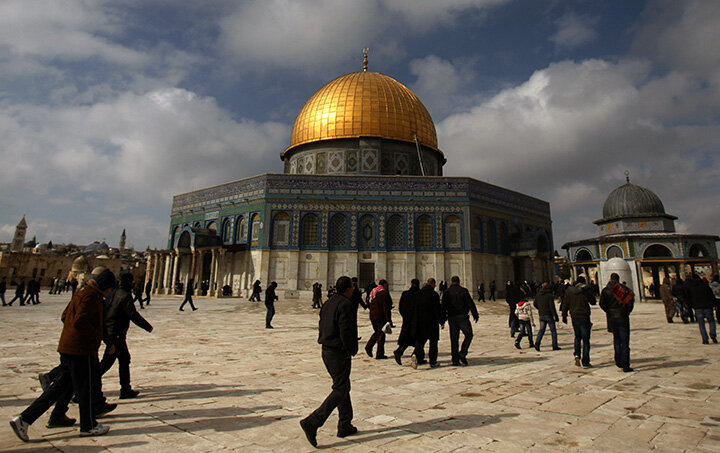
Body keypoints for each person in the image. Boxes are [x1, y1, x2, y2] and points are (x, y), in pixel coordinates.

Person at [9, 269, 116, 442]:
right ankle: (88, 426)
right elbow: (81, 322)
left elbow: (65, 316)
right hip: (81, 350)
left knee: (59, 387)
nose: (110, 291)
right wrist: (95, 337)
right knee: (85, 388)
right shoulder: (92, 297)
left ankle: (24, 419)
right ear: (104, 285)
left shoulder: (80, 292)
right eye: (110, 287)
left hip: (68, 346)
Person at [300, 276, 358, 447]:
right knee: (341, 389)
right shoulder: (346, 304)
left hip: (326, 349)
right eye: (352, 287)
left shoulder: (328, 302)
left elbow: (321, 323)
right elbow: (345, 330)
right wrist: (350, 350)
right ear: (347, 289)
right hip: (338, 352)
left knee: (342, 385)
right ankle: (313, 421)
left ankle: (345, 424)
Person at [100, 273, 153, 398]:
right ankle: (79, 388)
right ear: (130, 283)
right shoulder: (125, 295)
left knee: (124, 360)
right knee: (105, 364)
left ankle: (126, 389)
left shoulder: (115, 293)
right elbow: (132, 314)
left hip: (114, 332)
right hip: (116, 334)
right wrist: (147, 326)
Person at [599, 273, 635, 372]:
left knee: (616, 339)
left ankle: (618, 360)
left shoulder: (605, 290)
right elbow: (630, 302)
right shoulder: (623, 289)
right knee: (624, 341)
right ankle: (625, 364)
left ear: (610, 279)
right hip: (623, 317)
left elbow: (602, 304)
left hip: (612, 318)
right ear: (618, 279)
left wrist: (609, 311)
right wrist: (626, 312)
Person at [560, 276, 597, 368]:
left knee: (577, 336)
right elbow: (593, 302)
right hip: (584, 316)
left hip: (574, 316)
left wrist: (564, 316)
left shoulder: (569, 291)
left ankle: (577, 354)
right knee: (585, 339)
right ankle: (585, 361)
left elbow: (565, 303)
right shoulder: (586, 290)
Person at [441, 276, 478, 366]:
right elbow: (470, 303)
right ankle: (462, 353)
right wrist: (475, 314)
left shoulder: (447, 292)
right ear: (459, 282)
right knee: (469, 334)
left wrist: (442, 320)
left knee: (454, 339)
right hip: (462, 317)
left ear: (451, 282)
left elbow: (443, 306)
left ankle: (455, 360)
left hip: (452, 318)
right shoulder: (463, 291)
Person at [411, 278, 444, 368]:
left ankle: (415, 354)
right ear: (432, 284)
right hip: (431, 322)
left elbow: (414, 308)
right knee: (433, 343)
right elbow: (437, 309)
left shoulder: (418, 294)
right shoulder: (434, 295)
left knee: (421, 341)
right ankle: (433, 361)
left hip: (420, 321)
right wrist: (441, 321)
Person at [393, 279, 420, 365]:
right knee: (420, 339)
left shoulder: (405, 294)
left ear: (411, 284)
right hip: (417, 320)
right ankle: (415, 355)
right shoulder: (419, 294)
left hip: (407, 320)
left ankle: (399, 351)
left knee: (407, 338)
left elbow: (400, 307)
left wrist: (405, 316)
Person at [686, 273, 717, 344]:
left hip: (698, 308)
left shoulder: (692, 288)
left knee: (701, 324)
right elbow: (711, 296)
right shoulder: (705, 286)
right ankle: (713, 334)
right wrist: (715, 304)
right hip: (708, 306)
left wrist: (691, 306)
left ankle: (705, 339)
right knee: (711, 321)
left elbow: (689, 298)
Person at [364, 279, 392, 359]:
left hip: (373, 315)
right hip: (380, 316)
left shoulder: (373, 291)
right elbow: (385, 307)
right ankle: (379, 353)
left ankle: (369, 346)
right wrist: (388, 319)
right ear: (384, 285)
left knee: (377, 332)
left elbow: (368, 303)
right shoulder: (383, 293)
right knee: (381, 334)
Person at [534, 282, 560, 351]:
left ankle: (537, 342)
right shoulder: (549, 295)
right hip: (549, 315)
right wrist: (555, 316)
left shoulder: (538, 295)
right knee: (553, 331)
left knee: (541, 330)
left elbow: (535, 304)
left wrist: (539, 308)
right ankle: (555, 345)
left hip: (541, 314)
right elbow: (552, 307)